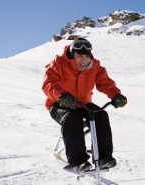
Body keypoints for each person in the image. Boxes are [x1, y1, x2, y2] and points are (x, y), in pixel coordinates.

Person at [42, 38, 127, 174]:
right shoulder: (58, 63)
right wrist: (61, 95)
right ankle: (79, 162)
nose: (84, 60)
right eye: (79, 56)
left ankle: (104, 157)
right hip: (59, 103)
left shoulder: (94, 66)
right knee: (72, 117)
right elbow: (49, 83)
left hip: (83, 104)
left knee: (101, 115)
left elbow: (105, 82)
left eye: (86, 56)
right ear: (72, 55)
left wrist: (115, 95)